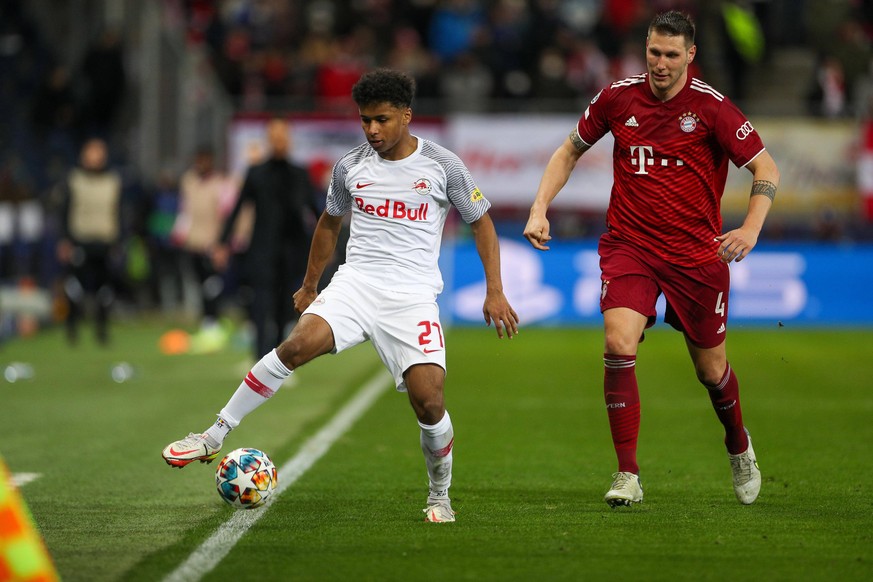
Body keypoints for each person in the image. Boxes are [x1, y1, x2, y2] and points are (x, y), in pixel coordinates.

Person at [163, 69, 519, 522]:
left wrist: (495, 290)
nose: (372, 130)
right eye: (365, 120)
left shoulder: (443, 166)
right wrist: (311, 284)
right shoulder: (350, 167)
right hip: (356, 283)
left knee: (429, 401)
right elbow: (329, 223)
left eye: (382, 120)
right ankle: (213, 435)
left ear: (407, 116)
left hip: (411, 297)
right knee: (293, 346)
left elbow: (482, 222)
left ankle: (439, 494)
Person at [523, 11, 779, 507]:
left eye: (671, 55)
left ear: (690, 56)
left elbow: (765, 169)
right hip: (630, 245)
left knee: (711, 371)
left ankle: (738, 445)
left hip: (695, 256)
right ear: (646, 50)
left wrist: (750, 228)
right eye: (653, 53)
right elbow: (568, 151)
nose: (660, 64)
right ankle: (627, 474)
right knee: (618, 342)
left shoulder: (713, 108)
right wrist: (539, 208)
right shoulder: (618, 97)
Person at [212, 119, 320, 361]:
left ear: (289, 140)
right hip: (262, 251)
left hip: (293, 252)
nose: (279, 141)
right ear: (269, 141)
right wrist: (222, 243)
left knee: (286, 307)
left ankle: (278, 359)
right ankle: (259, 358)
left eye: (283, 136)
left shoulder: (299, 174)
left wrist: (325, 246)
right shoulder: (256, 173)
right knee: (260, 305)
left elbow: (316, 214)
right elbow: (238, 208)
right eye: (275, 136)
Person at [56, 137, 123, 345]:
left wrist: (118, 241)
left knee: (104, 290)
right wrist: (65, 239)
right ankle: (72, 329)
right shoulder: (74, 179)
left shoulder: (112, 181)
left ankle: (102, 330)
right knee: (75, 287)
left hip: (104, 241)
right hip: (80, 240)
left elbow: (118, 213)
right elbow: (65, 210)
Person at [173, 147, 229, 346]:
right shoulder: (188, 181)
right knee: (199, 284)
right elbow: (184, 209)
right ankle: (207, 323)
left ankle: (212, 323)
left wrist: (222, 244)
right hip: (193, 242)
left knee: (212, 285)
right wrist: (180, 233)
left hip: (211, 242)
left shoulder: (220, 183)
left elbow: (224, 215)